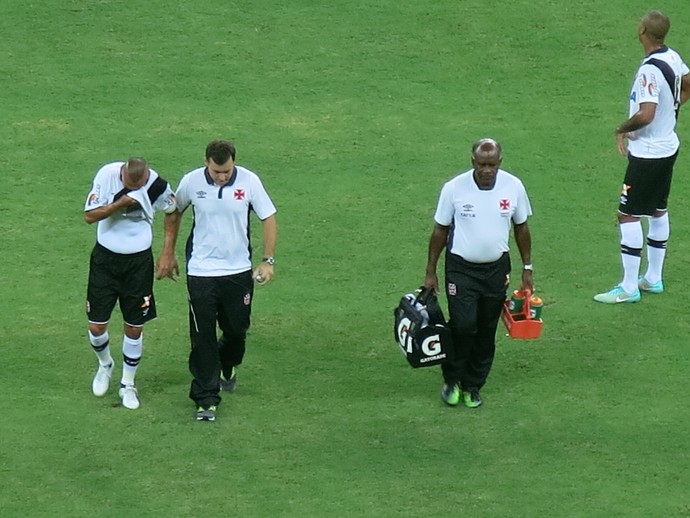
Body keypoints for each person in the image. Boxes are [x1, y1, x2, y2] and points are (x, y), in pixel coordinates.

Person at [156, 139, 277, 422]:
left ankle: (227, 364)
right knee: (203, 336)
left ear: (233, 163)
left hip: (238, 271)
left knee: (236, 331)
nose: (221, 177)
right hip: (201, 271)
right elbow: (174, 213)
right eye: (216, 172)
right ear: (206, 163)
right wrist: (167, 252)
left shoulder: (249, 181)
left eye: (226, 172)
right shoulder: (191, 182)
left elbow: (268, 217)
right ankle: (206, 398)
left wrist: (267, 260)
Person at [424, 138, 533, 408]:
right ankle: (452, 380)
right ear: (473, 162)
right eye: (482, 165)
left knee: (486, 329)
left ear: (500, 163)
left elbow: (521, 227)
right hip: (461, 269)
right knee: (462, 325)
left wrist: (527, 267)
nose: (487, 171)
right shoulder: (454, 189)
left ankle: (473, 385)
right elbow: (440, 230)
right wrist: (430, 272)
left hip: (496, 270)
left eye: (492, 165)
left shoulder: (514, 186)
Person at [595, 10, 690, 304]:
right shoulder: (672, 56)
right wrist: (669, 112)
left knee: (628, 214)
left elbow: (646, 114)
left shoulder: (649, 70)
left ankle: (628, 287)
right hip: (667, 146)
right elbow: (687, 86)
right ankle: (652, 279)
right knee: (658, 209)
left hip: (648, 153)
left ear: (642, 30)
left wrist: (622, 130)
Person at [84, 158, 177, 409]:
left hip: (138, 265)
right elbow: (90, 216)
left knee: (134, 327)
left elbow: (172, 211)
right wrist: (121, 204)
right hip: (105, 261)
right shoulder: (107, 175)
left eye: (139, 183)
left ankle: (128, 383)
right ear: (123, 174)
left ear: (145, 177)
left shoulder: (157, 186)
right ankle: (105, 365)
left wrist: (167, 251)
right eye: (129, 182)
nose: (135, 185)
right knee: (96, 326)